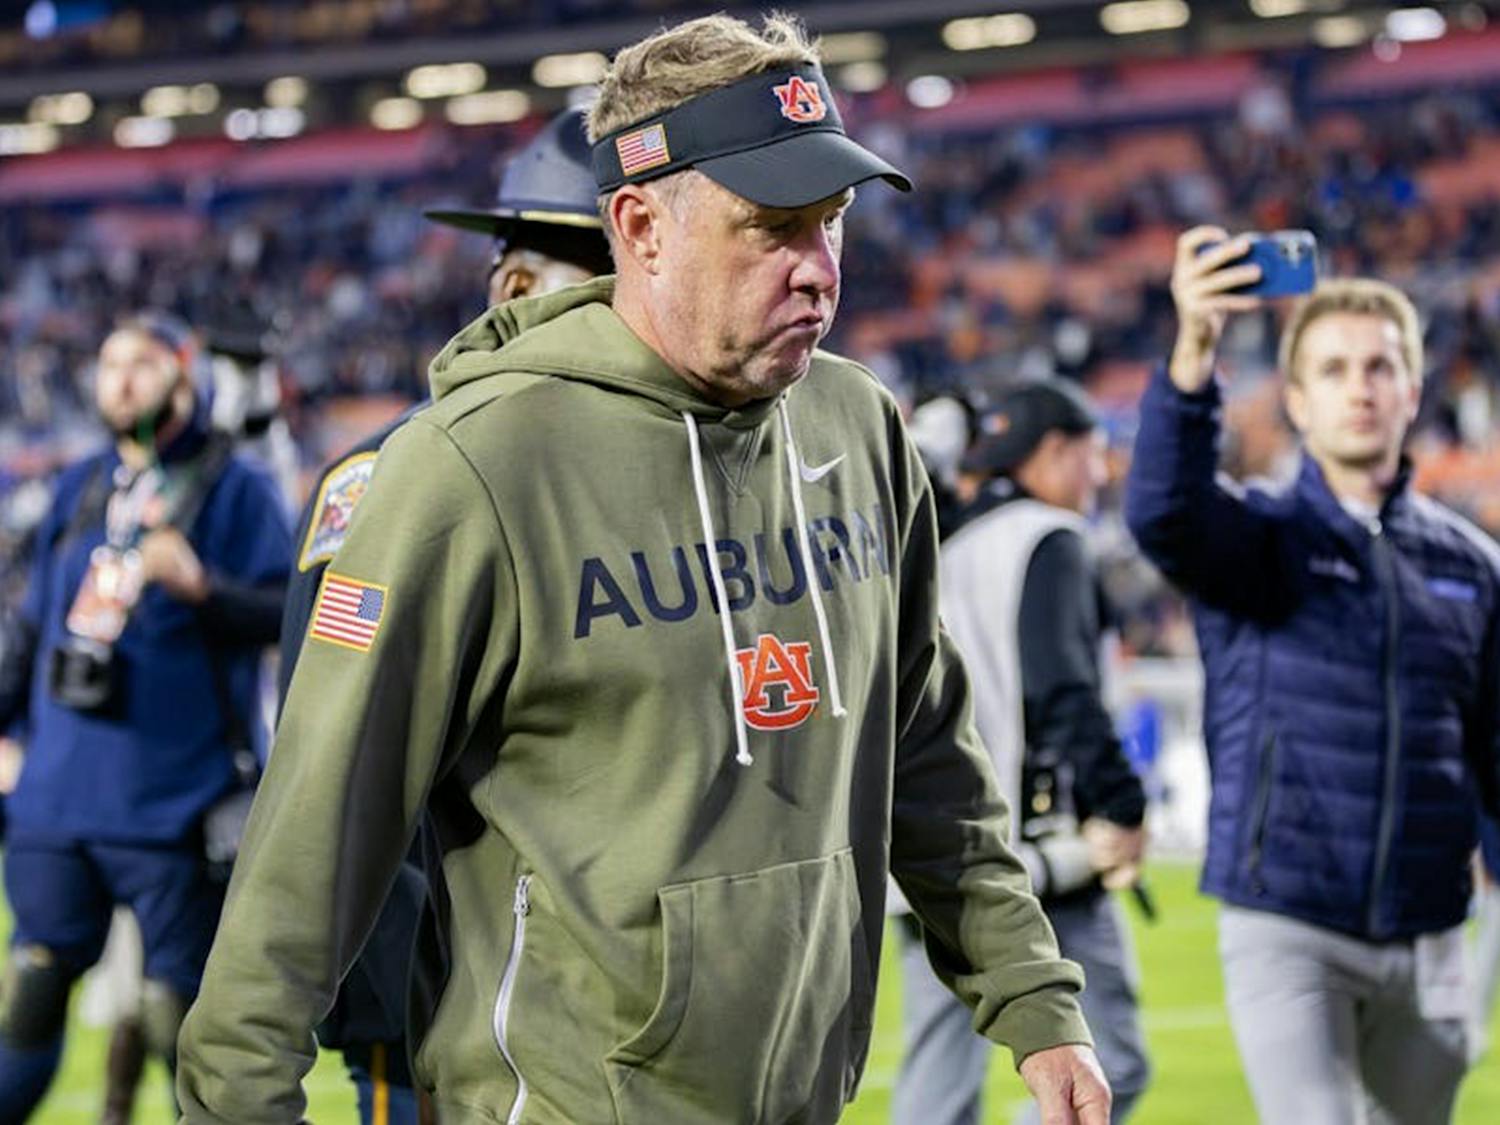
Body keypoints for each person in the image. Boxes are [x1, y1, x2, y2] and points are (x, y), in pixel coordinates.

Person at [177, 14, 1110, 1123]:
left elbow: (923, 750)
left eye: (834, 226)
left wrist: (1032, 1000)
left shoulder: (861, 429)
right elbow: (311, 844)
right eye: (770, 229)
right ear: (640, 225)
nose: (817, 273)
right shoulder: (472, 469)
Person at [278, 106, 610, 1125]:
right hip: (443, 981)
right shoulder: (389, 480)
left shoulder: (655, 467)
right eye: (617, 274)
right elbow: (332, 752)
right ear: (515, 284)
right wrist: (381, 986)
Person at [1125, 227, 1500, 1124]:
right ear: (1295, 399)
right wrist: (1196, 348)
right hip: (1287, 916)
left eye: (1379, 367)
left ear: (1414, 388)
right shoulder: (1254, 540)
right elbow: (1163, 512)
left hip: (1429, 927)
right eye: (1333, 370)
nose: (1360, 387)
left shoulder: (1473, 565)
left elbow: (1491, 750)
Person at [0, 312, 292, 1121]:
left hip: (178, 802)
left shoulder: (237, 486)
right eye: (108, 363)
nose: (120, 379)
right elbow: (33, 625)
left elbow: (293, 612)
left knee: (177, 1016)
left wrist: (204, 589)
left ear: (185, 374)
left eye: (142, 362)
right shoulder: (77, 482)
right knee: (29, 990)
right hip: (58, 799)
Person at [895, 379, 1152, 1125]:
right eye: (1093, 453)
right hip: (1035, 845)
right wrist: (1122, 804)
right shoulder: (1048, 536)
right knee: (1116, 1060)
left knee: (939, 1076)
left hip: (933, 837)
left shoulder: (953, 537)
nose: (1101, 475)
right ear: (1056, 451)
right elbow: (1063, 688)